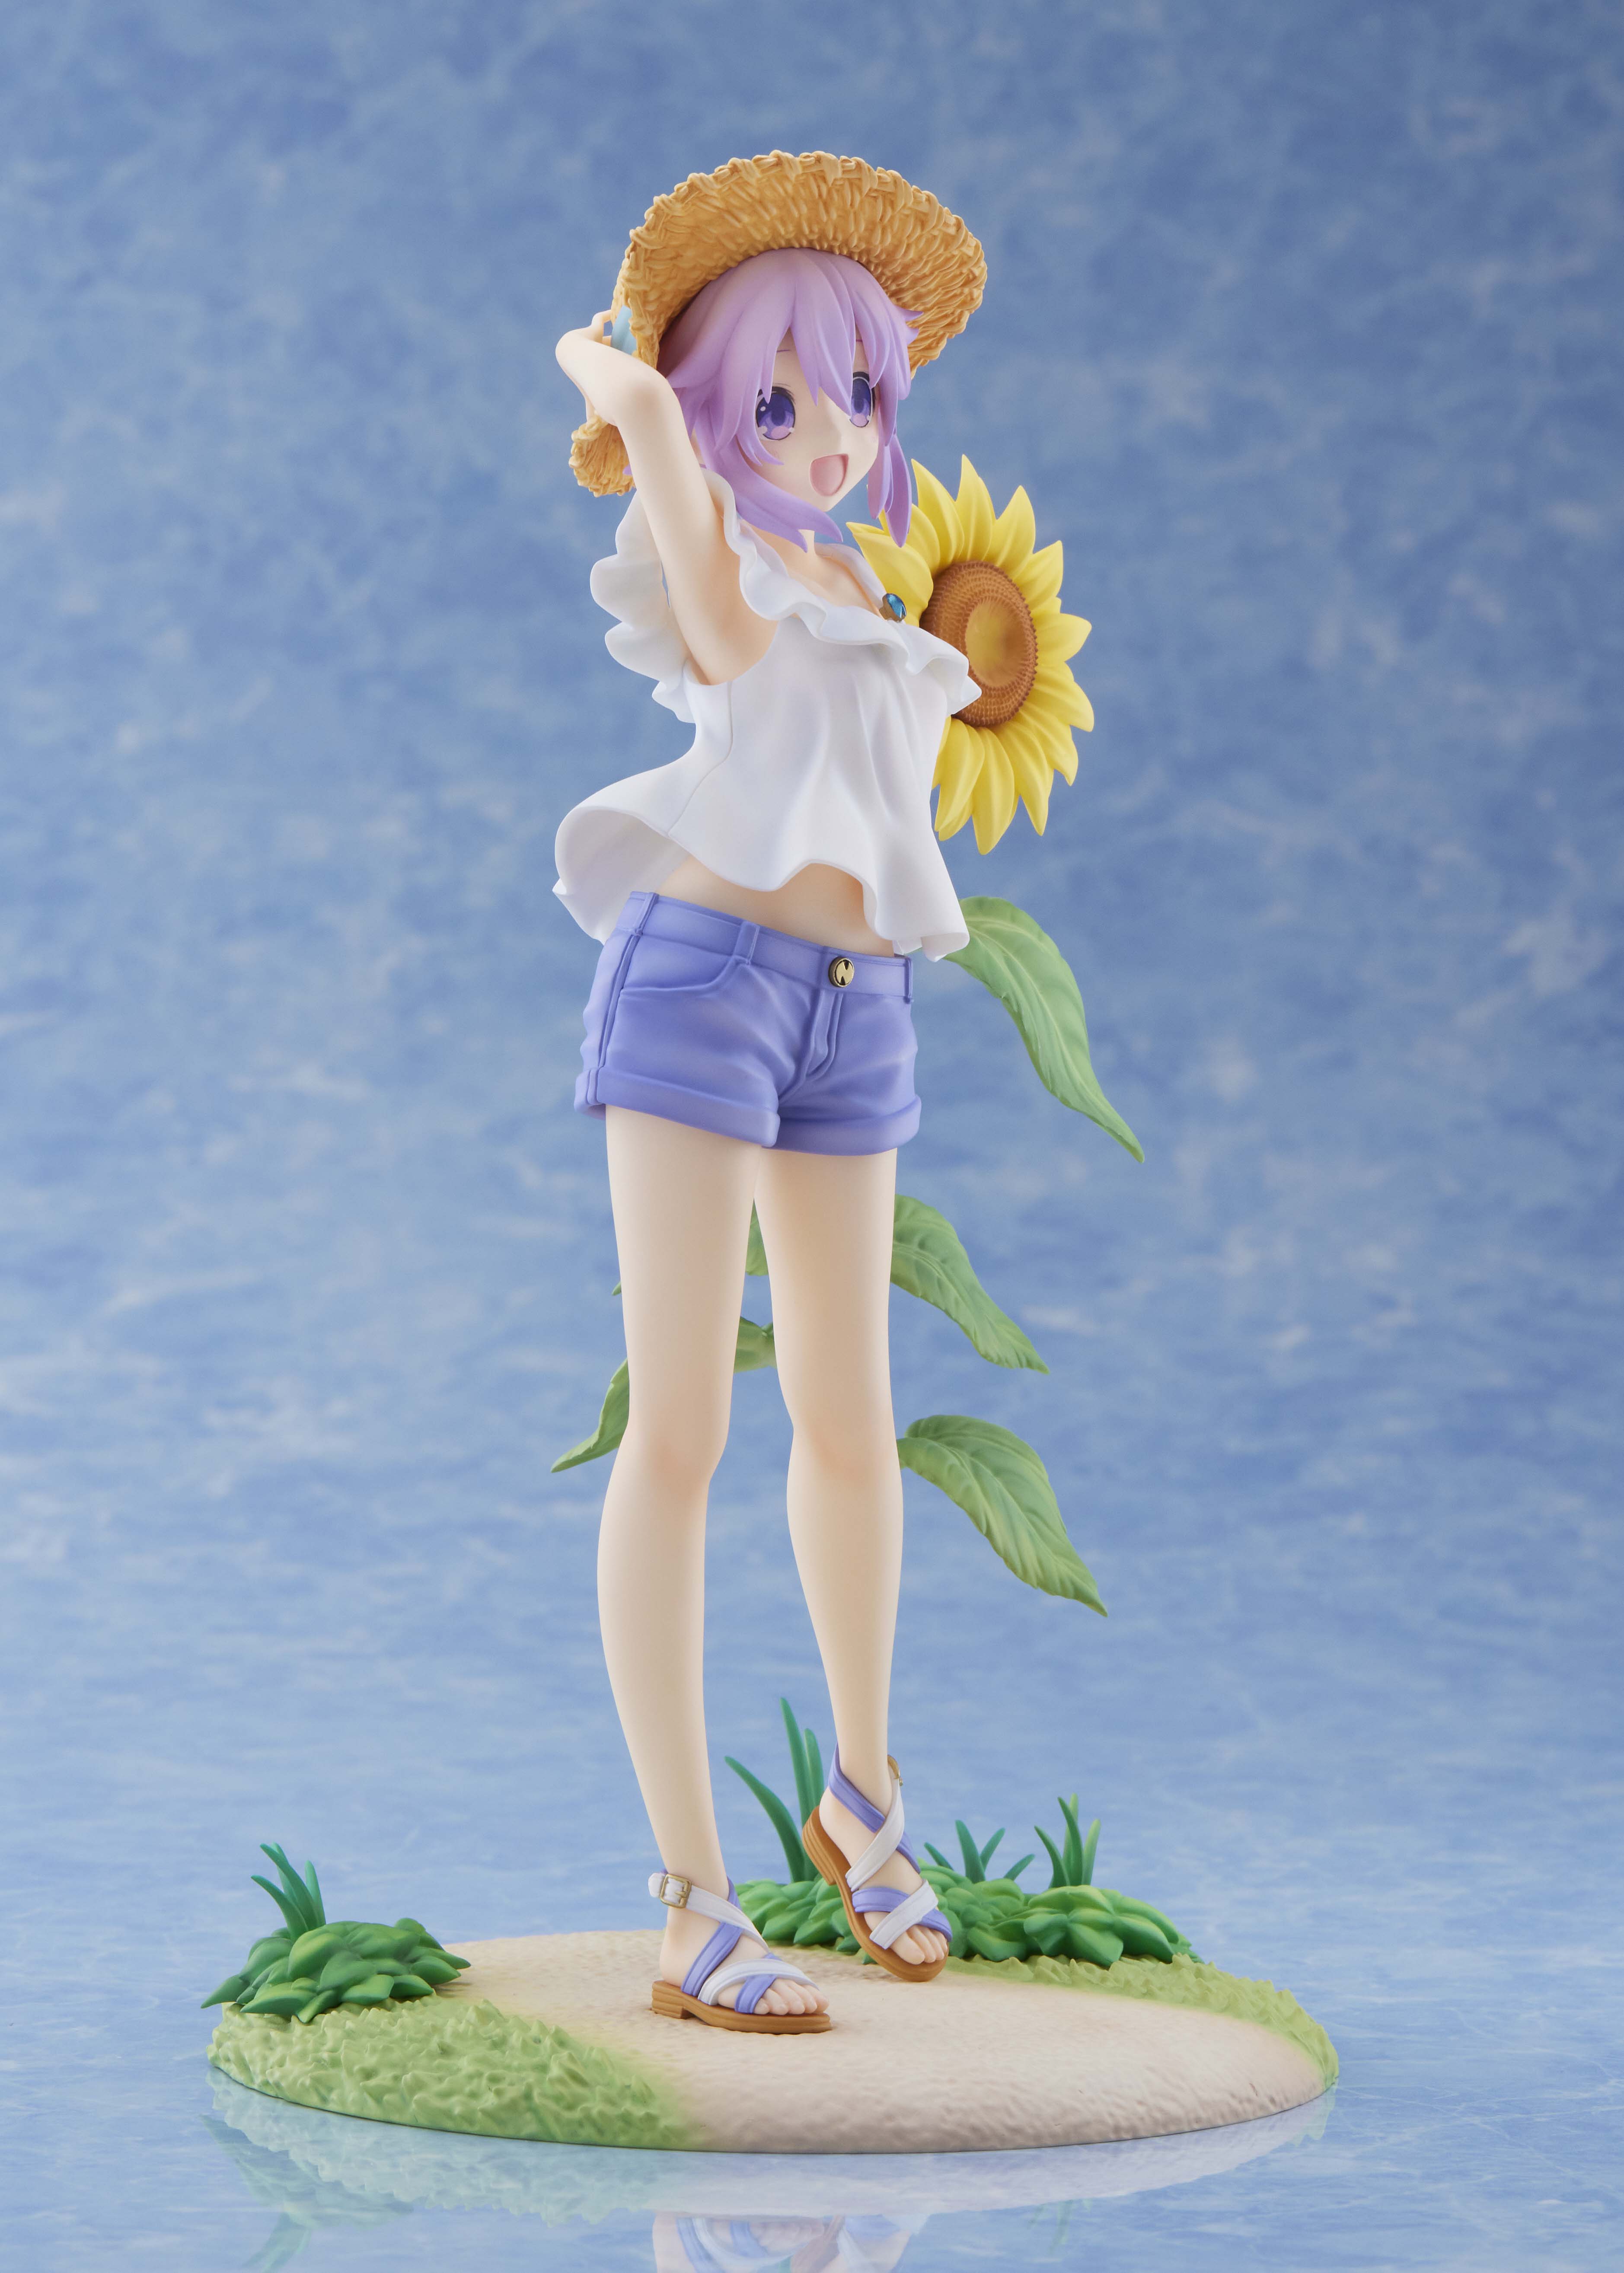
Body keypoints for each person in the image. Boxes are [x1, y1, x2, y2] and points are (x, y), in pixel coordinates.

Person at [552, 154, 984, 2034]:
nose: (826, 434)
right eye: (781, 397)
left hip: (858, 1004)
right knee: (679, 1428)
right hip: (705, 988)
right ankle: (688, 1895)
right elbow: (719, 628)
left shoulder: (854, 577)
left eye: (856, 395)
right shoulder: (719, 556)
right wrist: (632, 395)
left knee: (850, 1416)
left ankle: (864, 1798)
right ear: (722, 405)